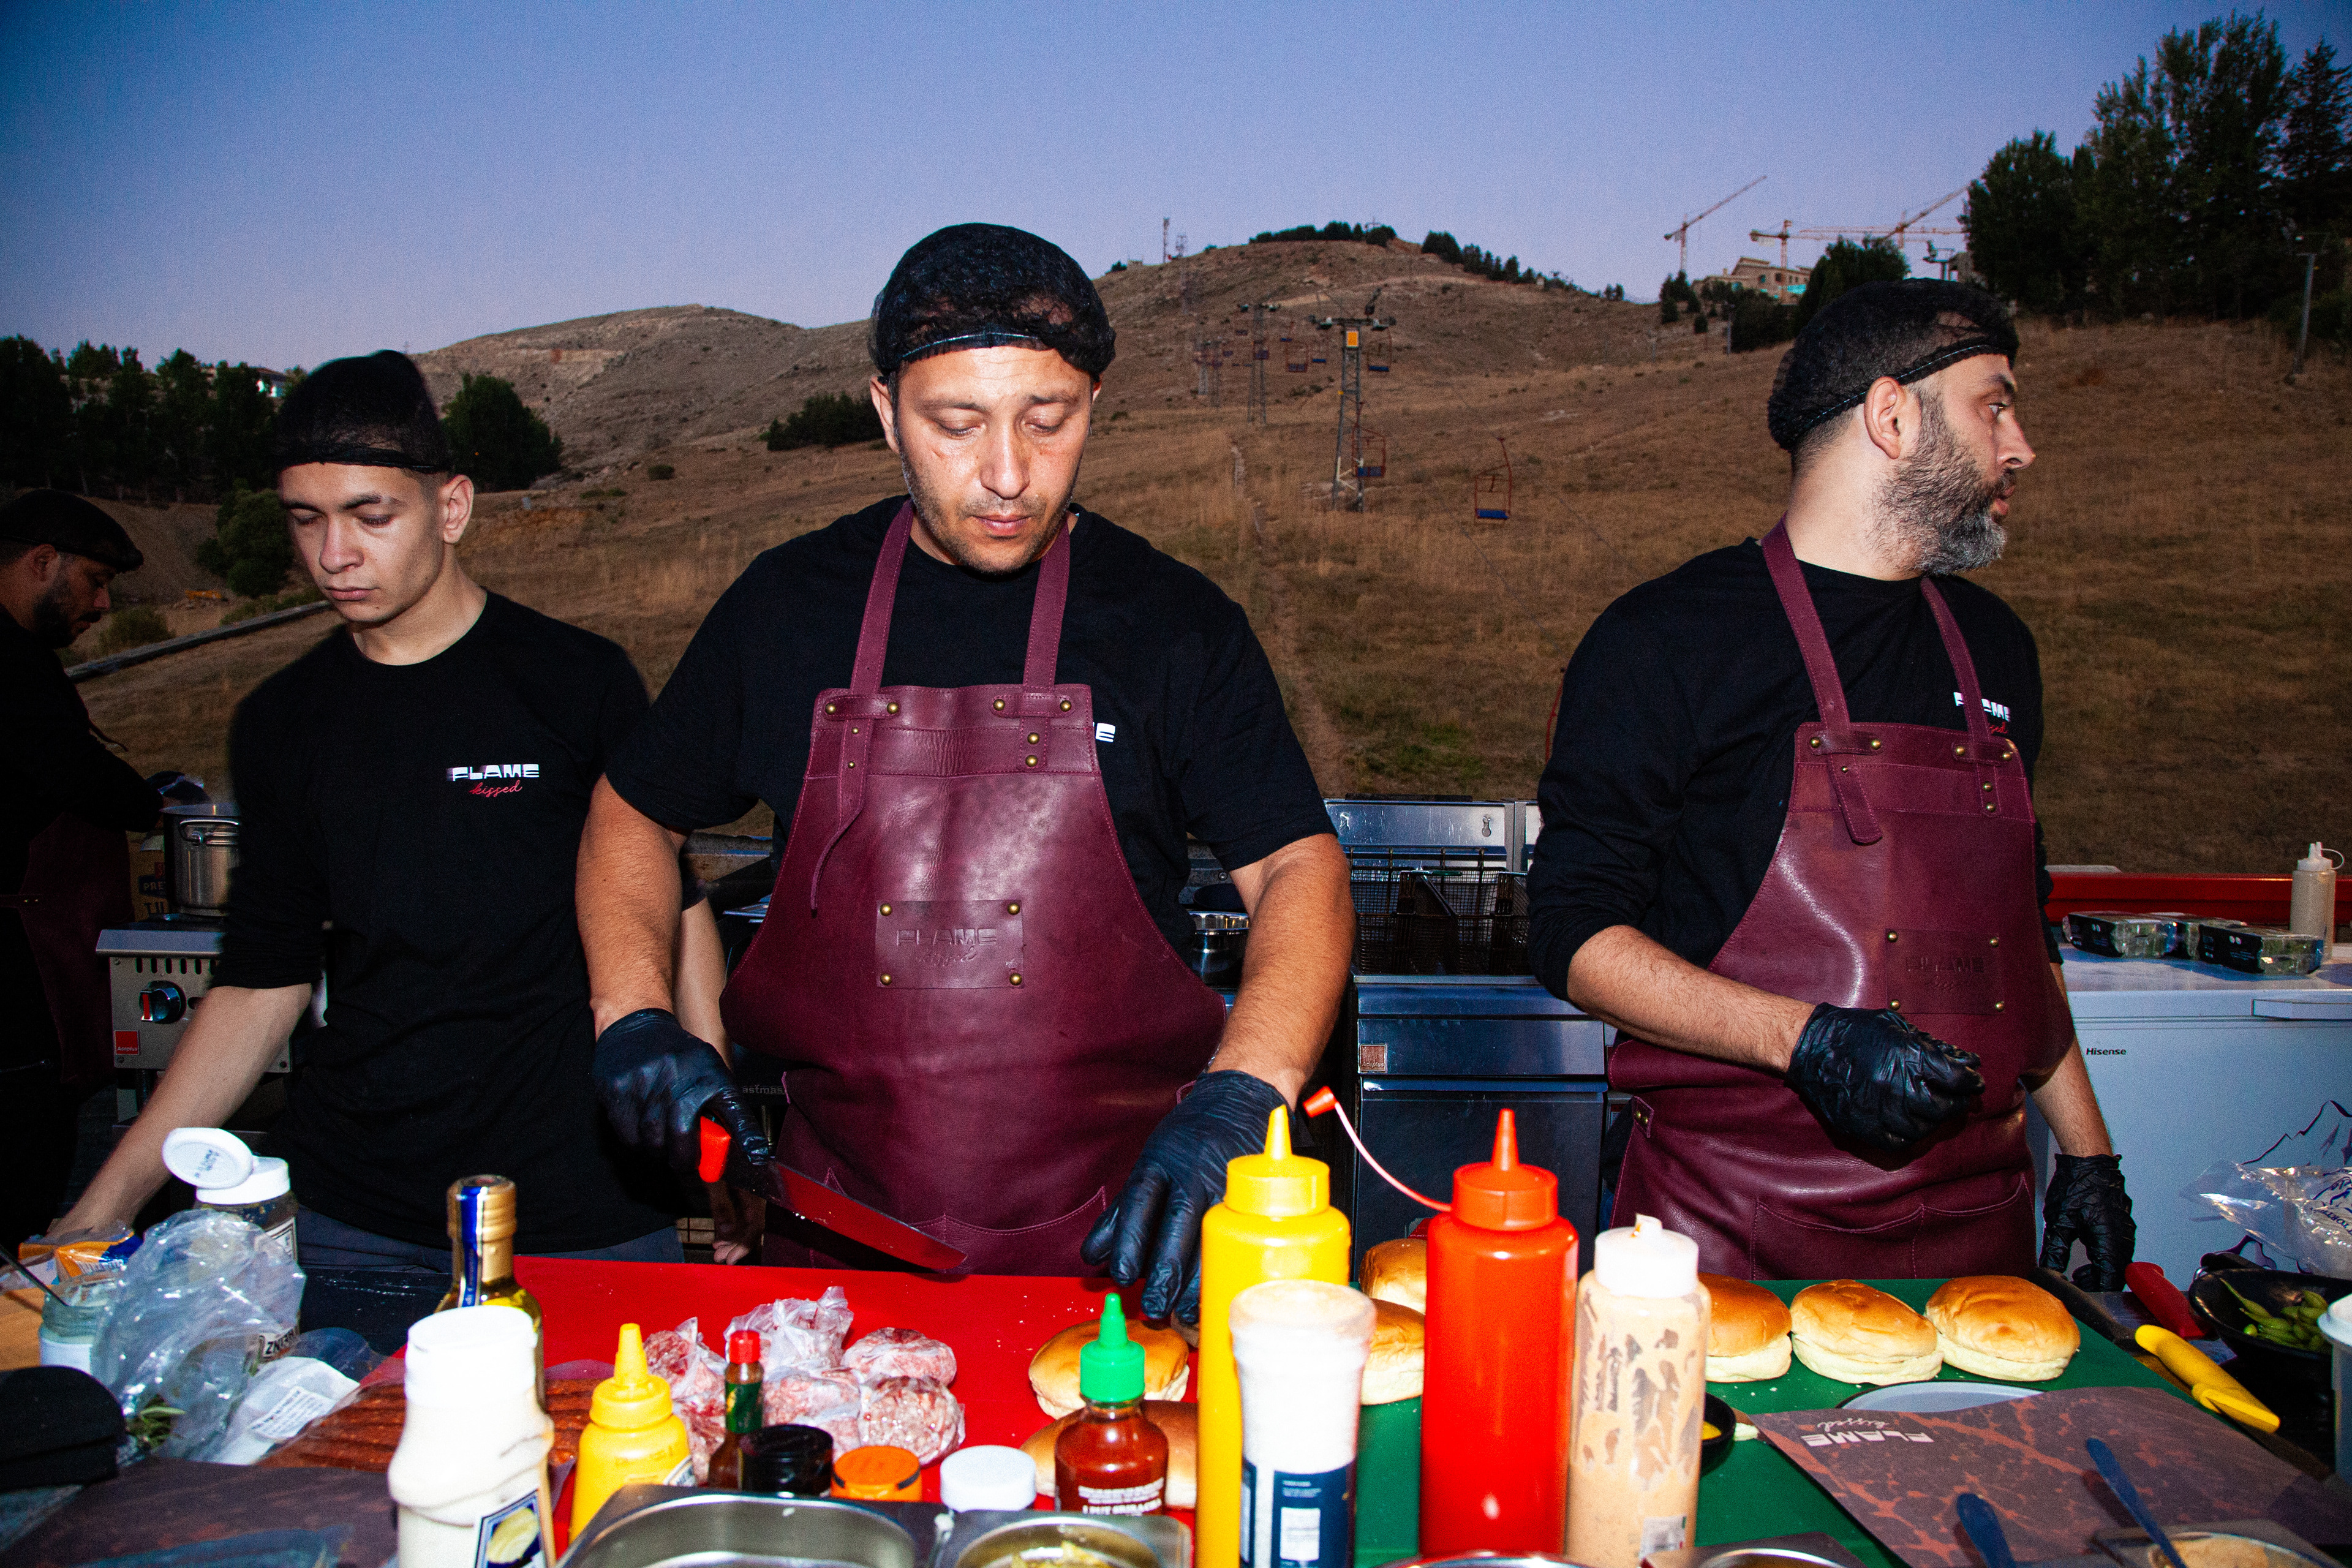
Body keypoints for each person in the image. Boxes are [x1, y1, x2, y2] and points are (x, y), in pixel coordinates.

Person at [577, 223, 1352, 1317]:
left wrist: (1244, 1092)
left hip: (1123, 1257)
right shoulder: (784, 612)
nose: (1007, 476)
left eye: (1050, 419)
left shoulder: (1175, 626)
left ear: (1094, 401)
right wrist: (631, 1014)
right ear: (885, 410)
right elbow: (631, 812)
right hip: (831, 1263)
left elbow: (1299, 868)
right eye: (956, 424)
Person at [57, 352, 741, 1269]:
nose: (334, 554)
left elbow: (676, 906)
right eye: (306, 519)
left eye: (370, 516)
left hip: (586, 1207)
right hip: (361, 1214)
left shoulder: (576, 682)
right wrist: (100, 1206)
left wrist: (710, 1130)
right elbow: (262, 981)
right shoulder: (282, 722)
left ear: (451, 507)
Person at [1528, 280, 2135, 1287]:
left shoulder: (1999, 650)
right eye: (1995, 406)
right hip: (1729, 1243)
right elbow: (1573, 936)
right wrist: (1805, 1042)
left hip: (1980, 1245)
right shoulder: (1666, 642)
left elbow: (2018, 937)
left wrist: (2088, 1151)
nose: (2021, 446)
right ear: (1893, 416)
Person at [0, 491, 179, 1250]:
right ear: (42, 562)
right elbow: (71, 770)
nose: (102, 605)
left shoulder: (25, 659)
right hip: (11, 966)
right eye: (94, 581)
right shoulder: (9, 665)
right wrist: (151, 803)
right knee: (21, 1166)